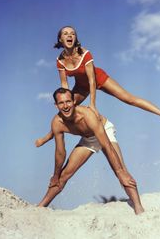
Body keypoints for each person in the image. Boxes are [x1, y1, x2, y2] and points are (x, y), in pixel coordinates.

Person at [37, 87, 145, 215]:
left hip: (104, 131)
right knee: (62, 175)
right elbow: (60, 152)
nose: (65, 106)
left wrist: (120, 171)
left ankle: (139, 208)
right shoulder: (57, 122)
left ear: (74, 102)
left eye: (68, 102)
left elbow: (106, 144)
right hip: (88, 138)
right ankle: (40, 208)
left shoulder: (87, 115)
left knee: (121, 171)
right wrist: (55, 175)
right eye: (61, 103)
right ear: (56, 106)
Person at [53, 26, 160, 128]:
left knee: (129, 99)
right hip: (81, 86)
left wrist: (92, 105)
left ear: (75, 38)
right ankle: (57, 135)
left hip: (98, 78)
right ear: (60, 39)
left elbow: (92, 80)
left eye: (72, 33)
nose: (69, 35)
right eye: (65, 33)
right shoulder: (60, 60)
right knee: (64, 109)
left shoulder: (84, 53)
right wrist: (66, 99)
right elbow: (64, 85)